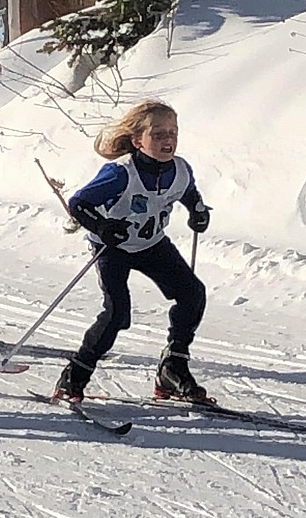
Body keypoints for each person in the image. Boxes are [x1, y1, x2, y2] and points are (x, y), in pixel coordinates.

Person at [56, 100, 210, 403]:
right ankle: (73, 377)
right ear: (138, 140)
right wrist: (102, 227)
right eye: (158, 135)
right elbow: (79, 203)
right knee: (117, 314)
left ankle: (172, 368)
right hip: (113, 248)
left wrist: (198, 211)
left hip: (152, 245)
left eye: (173, 133)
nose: (168, 141)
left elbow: (188, 193)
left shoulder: (180, 168)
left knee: (192, 293)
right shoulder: (120, 172)